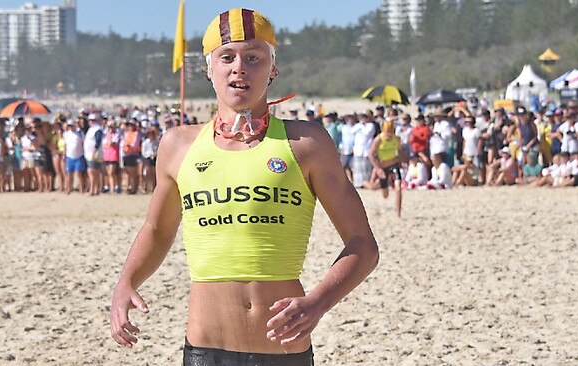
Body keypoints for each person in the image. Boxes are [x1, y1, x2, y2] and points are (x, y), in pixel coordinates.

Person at [110, 8, 379, 366]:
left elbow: (363, 245)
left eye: (253, 57)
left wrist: (318, 302)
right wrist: (126, 282)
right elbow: (157, 230)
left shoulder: (307, 143)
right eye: (227, 57)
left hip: (284, 351)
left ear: (273, 69)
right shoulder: (178, 145)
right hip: (207, 348)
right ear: (209, 69)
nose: (239, 67)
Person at [368, 120, 403, 217]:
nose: (388, 135)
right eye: (387, 132)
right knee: (385, 195)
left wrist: (400, 160)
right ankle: (382, 187)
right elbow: (371, 154)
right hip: (382, 167)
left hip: (394, 165)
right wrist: (377, 168)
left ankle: (398, 214)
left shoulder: (397, 139)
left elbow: (400, 151)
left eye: (390, 132)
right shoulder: (378, 139)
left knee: (398, 187)